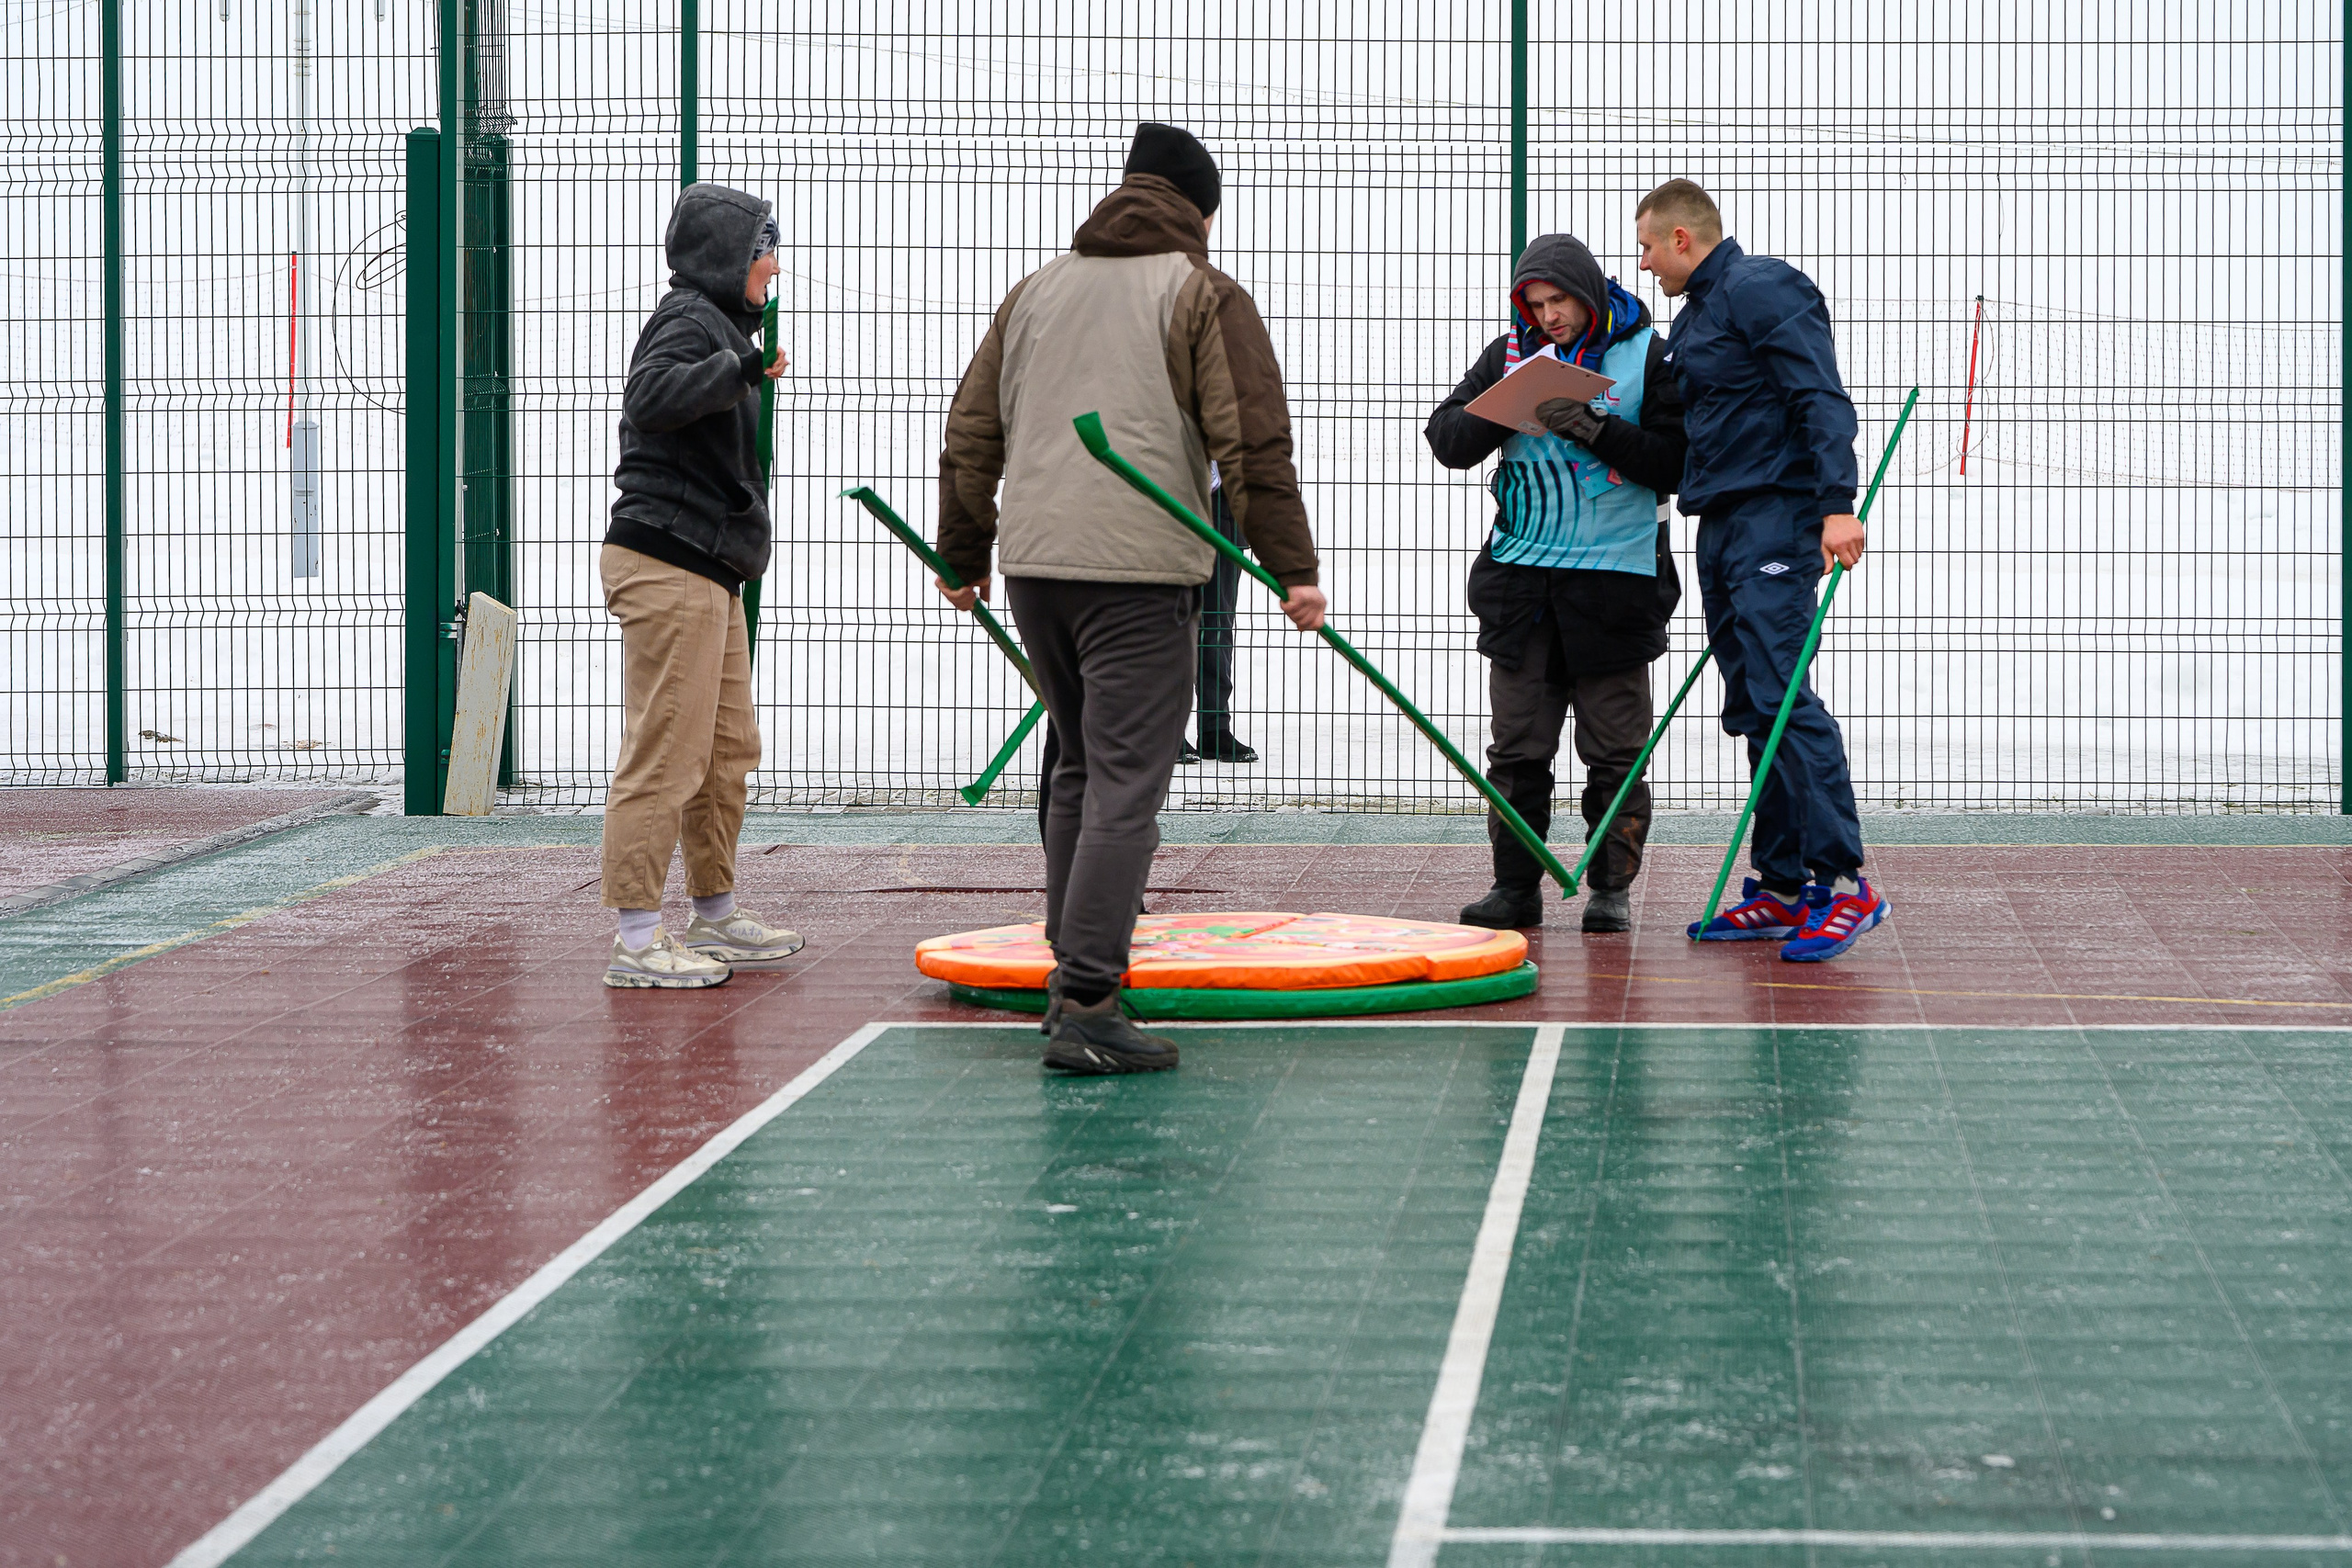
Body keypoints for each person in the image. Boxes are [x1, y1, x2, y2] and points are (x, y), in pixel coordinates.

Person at [938, 122, 1326, 1073]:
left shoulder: (1035, 290)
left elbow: (970, 431)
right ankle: (1088, 1004)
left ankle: (1067, 980)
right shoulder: (1201, 292)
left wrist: (963, 551)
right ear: (1200, 211)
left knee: (1076, 767)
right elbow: (1252, 443)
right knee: (1124, 786)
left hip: (1036, 567)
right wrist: (1294, 570)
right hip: (1139, 571)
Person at [1634, 178, 1884, 961]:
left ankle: (1843, 884)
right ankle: (1779, 888)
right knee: (1750, 704)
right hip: (1721, 520)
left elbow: (1819, 395)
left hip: (1778, 514)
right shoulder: (1697, 313)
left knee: (1782, 697)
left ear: (1683, 237)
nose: (1643, 262)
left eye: (1647, 245)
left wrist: (1836, 503)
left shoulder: (1759, 285)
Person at [1425, 234, 1687, 933]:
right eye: (1535, 305)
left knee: (1616, 752)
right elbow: (1445, 438)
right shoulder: (1509, 354)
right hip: (1521, 592)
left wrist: (1598, 430)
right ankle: (1515, 888)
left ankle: (1610, 889)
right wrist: (1500, 411)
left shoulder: (1649, 356)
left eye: (1559, 301)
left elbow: (1675, 463)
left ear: (1590, 292)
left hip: (1616, 589)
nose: (1549, 317)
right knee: (1516, 750)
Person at [597, 182, 806, 987]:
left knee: (723, 752)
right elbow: (650, 398)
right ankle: (637, 938)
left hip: (710, 569)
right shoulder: (689, 320)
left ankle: (713, 915)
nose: (773, 266)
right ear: (728, 257)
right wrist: (739, 368)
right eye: (763, 250)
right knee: (668, 753)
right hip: (668, 561)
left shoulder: (722, 324)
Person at [1176, 469, 1257, 764]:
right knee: (1171, 622)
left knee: (1218, 624)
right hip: (1173, 506)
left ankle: (1214, 729)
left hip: (1225, 509)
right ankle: (1168, 730)